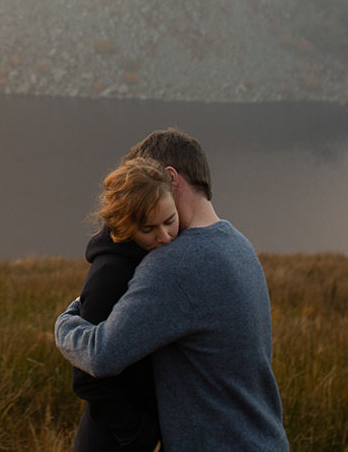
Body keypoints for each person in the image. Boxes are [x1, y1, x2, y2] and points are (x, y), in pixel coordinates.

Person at [55, 128, 288, 452]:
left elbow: (103, 355)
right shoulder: (240, 246)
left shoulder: (175, 263)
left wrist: (65, 322)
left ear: (169, 179)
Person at [71, 157, 180, 452]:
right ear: (125, 226)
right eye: (149, 229)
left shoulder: (160, 255)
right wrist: (142, 436)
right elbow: (86, 377)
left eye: (170, 221)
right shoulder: (111, 274)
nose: (165, 237)